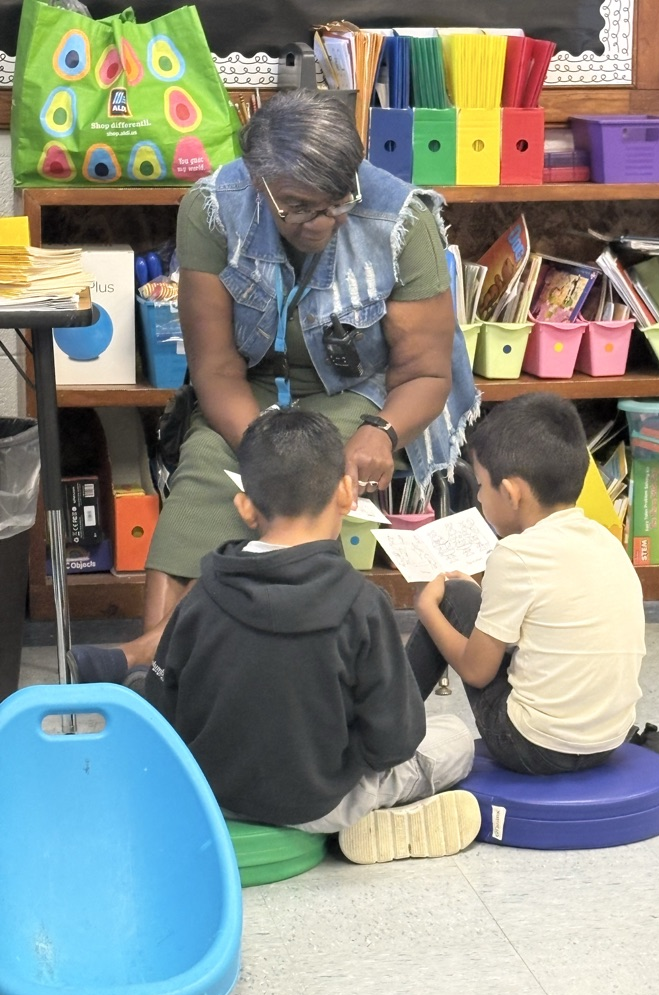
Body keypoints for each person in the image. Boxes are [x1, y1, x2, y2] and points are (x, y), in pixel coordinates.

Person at [67, 87, 479, 682]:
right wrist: (262, 439)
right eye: (299, 206)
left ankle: (149, 661)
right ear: (258, 183)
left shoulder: (401, 222)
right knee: (205, 465)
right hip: (248, 389)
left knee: (301, 479)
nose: (324, 221)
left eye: (340, 202)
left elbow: (426, 374)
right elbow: (215, 369)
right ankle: (164, 682)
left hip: (356, 396)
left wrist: (384, 432)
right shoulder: (212, 209)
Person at [93, 409, 481, 865]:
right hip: (320, 803)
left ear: (244, 506)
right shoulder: (363, 604)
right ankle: (369, 819)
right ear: (346, 493)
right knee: (454, 737)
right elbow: (394, 741)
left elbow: (167, 706)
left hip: (217, 796)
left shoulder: (202, 595)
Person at [409, 393, 659, 789]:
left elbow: (477, 672)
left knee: (452, 598)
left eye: (480, 486)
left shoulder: (513, 554)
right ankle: (654, 744)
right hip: (608, 741)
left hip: (532, 748)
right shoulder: (605, 540)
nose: (478, 497)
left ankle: (379, 737)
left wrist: (427, 608)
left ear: (512, 493)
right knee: (469, 597)